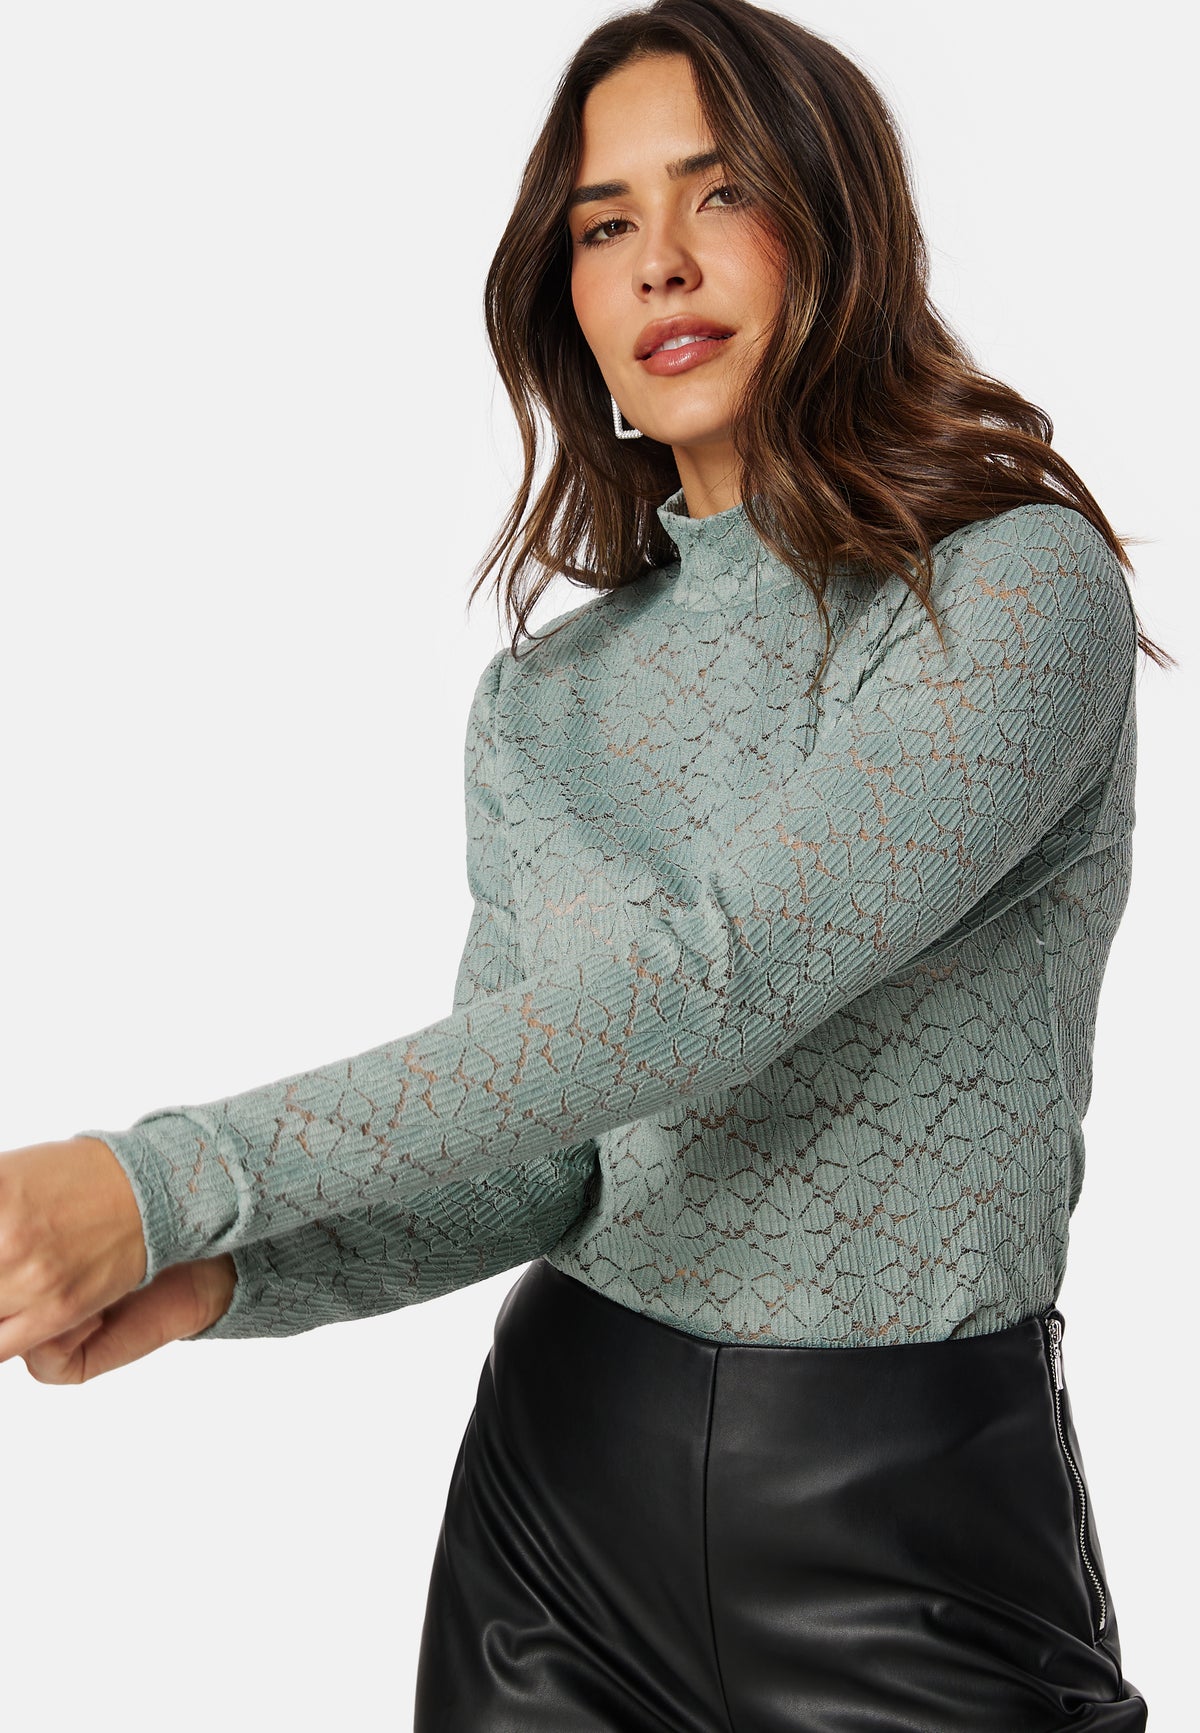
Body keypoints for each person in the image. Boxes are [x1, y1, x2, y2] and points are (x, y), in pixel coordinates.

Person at [0, 2, 1167, 1727]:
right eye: (606, 224)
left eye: (721, 192)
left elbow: (712, 987)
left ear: (838, 224)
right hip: (552, 1531)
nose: (661, 261)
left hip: (907, 1532)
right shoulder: (544, 703)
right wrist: (230, 1270)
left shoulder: (1009, 587)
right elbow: (543, 1160)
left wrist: (161, 1176)